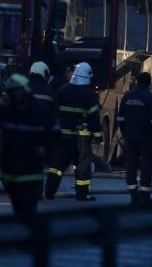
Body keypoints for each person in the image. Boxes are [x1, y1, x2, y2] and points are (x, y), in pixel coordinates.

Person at [0, 74, 60, 223]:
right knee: (18, 209)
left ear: (25, 91)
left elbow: (55, 134)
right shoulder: (6, 111)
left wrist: (45, 149)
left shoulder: (40, 112)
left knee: (28, 210)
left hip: (31, 172)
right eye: (12, 92)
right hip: (11, 173)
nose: (15, 95)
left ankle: (29, 238)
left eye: (18, 91)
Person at [44, 62, 102, 201]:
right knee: (82, 166)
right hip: (81, 137)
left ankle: (49, 192)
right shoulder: (88, 94)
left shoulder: (63, 90)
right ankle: (82, 195)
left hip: (62, 134)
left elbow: (54, 110)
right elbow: (93, 117)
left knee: (57, 165)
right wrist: (98, 136)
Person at [117, 72, 152, 204]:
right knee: (146, 166)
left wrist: (125, 132)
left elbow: (120, 118)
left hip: (131, 135)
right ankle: (145, 195)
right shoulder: (151, 98)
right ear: (149, 83)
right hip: (147, 138)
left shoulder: (127, 96)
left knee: (131, 165)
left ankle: (133, 193)